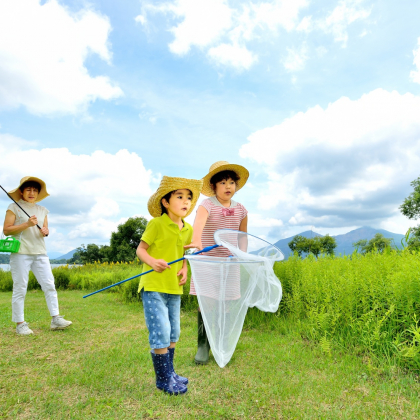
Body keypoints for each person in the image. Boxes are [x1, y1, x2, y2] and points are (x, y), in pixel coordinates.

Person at [136, 176, 203, 395]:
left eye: (189, 198)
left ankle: (171, 373)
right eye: (180, 196)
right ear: (165, 202)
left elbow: (183, 252)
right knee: (161, 330)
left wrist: (184, 267)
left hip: (174, 287)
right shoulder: (156, 224)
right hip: (154, 285)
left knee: (174, 331)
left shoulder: (188, 228)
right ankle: (163, 380)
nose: (186, 202)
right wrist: (152, 262)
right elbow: (141, 250)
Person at [185, 161, 249, 364]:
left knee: (226, 303)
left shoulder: (241, 210)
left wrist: (242, 254)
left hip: (230, 263)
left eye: (232, 182)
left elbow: (243, 236)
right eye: (223, 182)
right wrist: (196, 242)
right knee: (208, 302)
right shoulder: (206, 205)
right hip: (207, 262)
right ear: (214, 186)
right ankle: (203, 345)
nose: (228, 186)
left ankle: (220, 343)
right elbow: (198, 226)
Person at [3, 176, 72, 335]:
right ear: (21, 191)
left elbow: (45, 230)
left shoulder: (43, 210)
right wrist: (26, 224)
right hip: (21, 253)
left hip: (40, 253)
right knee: (20, 287)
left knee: (49, 285)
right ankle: (20, 324)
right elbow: (6, 230)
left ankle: (56, 319)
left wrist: (46, 231)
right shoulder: (13, 207)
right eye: (28, 189)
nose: (32, 192)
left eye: (35, 190)